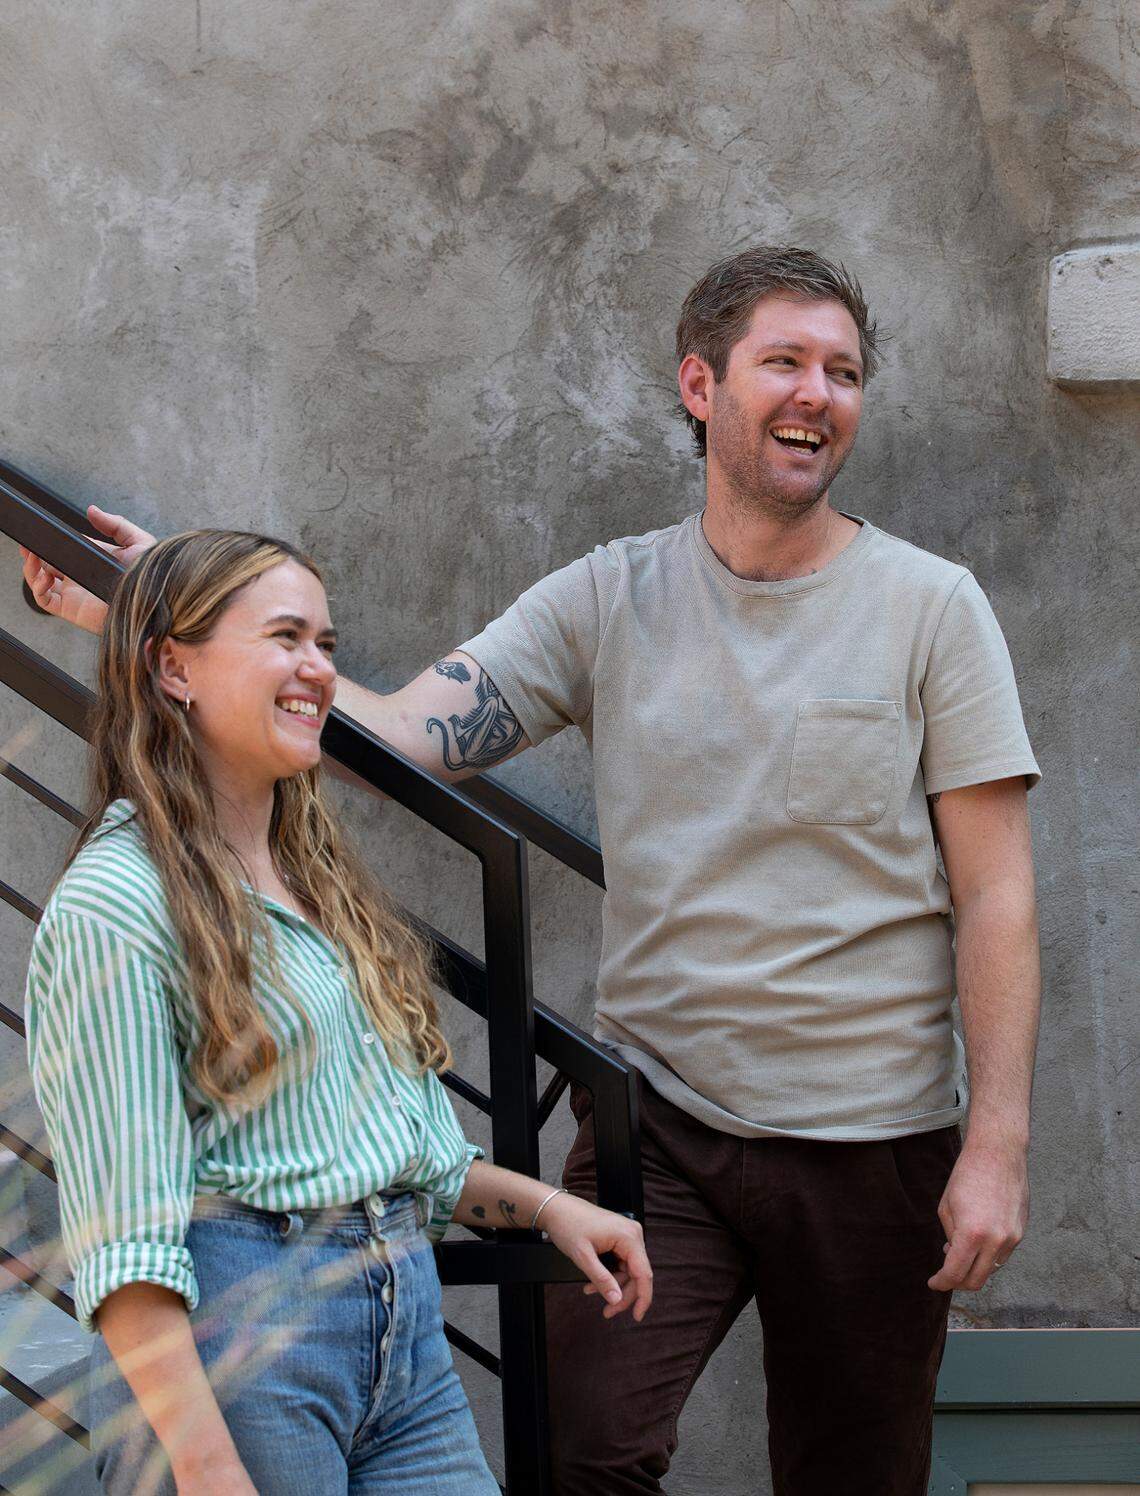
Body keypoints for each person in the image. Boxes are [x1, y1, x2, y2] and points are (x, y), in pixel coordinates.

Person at [23, 244, 1041, 1496]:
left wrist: (997, 1143)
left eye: (843, 372)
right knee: (584, 1457)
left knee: (856, 1476)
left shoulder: (933, 608)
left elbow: (998, 893)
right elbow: (398, 734)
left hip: (876, 1140)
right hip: (662, 1126)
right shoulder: (610, 596)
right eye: (784, 361)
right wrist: (148, 612)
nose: (816, 394)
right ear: (701, 384)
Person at [23, 529, 651, 1496]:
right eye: (285, 637)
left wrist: (548, 1208)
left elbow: (389, 1156)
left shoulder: (312, 883)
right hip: (238, 1345)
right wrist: (207, 1470)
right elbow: (124, 1238)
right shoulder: (119, 902)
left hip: (400, 1328)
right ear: (174, 668)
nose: (318, 667)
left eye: (325, 642)